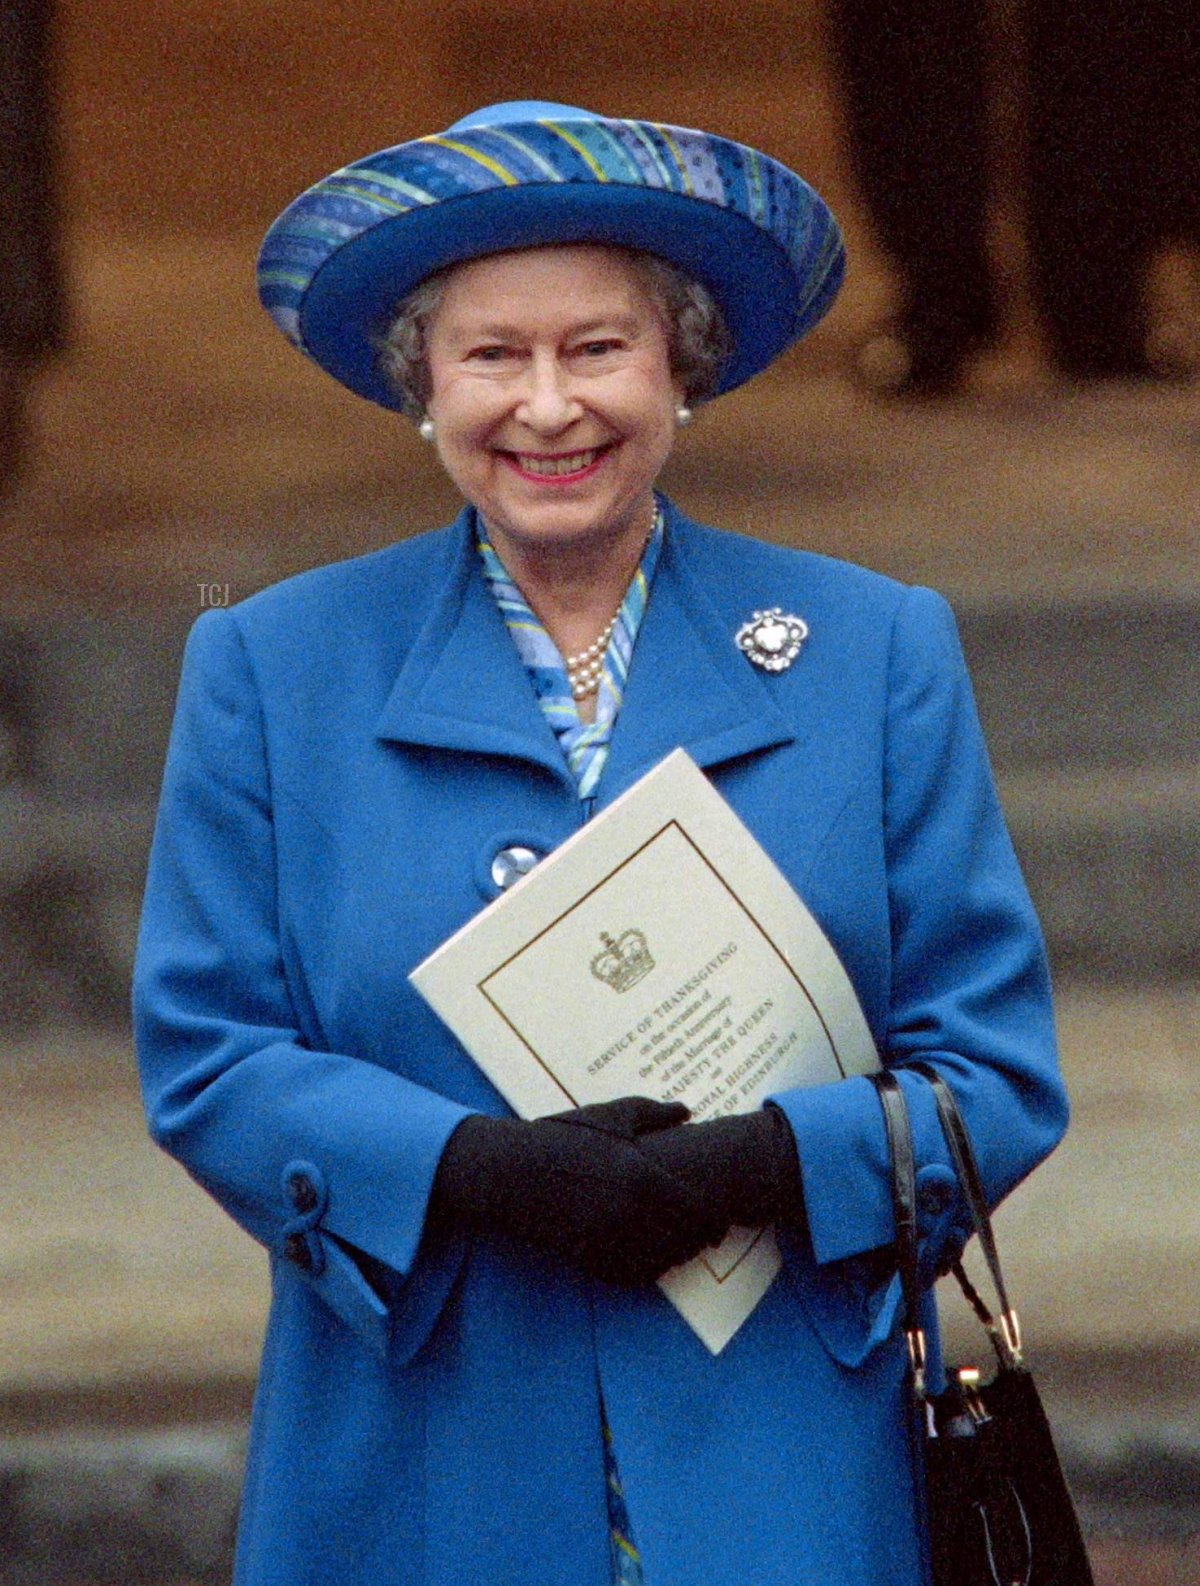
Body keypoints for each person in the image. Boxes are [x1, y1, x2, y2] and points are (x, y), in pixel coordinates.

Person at [133, 101, 1068, 1586]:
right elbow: (208, 1059)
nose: (547, 406)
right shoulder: (273, 664)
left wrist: (764, 1162)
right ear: (422, 385)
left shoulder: (872, 649)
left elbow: (995, 1076)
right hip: (423, 1455)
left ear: (682, 371)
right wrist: (469, 1167)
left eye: (598, 348)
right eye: (492, 354)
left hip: (781, 1466)